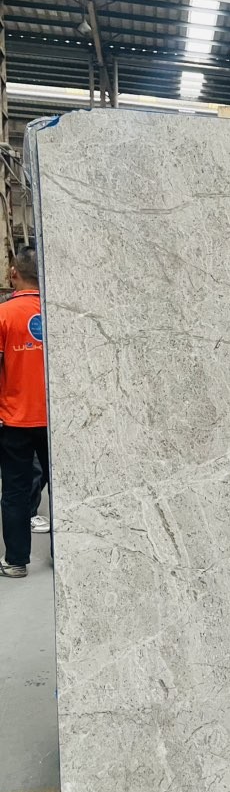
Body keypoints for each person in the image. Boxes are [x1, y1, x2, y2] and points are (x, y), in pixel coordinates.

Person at [0, 246, 49, 578]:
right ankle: (65, 556)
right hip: (54, 421)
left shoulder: (3, 314)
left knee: (15, 490)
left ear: (14, 273)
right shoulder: (56, 312)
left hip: (14, 419)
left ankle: (16, 561)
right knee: (62, 489)